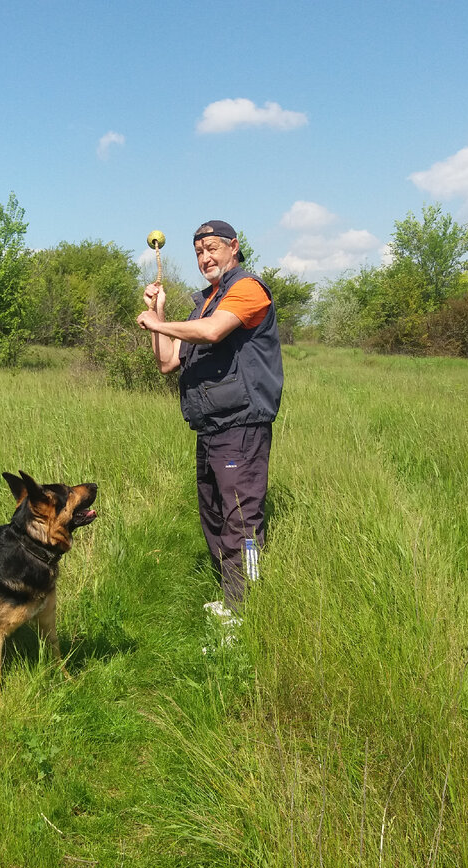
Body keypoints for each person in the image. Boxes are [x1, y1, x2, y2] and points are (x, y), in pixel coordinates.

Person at [136, 220, 284, 620]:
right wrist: (159, 313)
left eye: (213, 248)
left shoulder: (247, 290)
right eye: (199, 251)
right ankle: (230, 598)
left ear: (234, 247)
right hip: (211, 428)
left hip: (242, 427)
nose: (205, 258)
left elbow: (215, 332)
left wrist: (159, 323)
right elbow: (168, 361)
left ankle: (245, 612)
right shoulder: (204, 302)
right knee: (215, 515)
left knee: (242, 521)